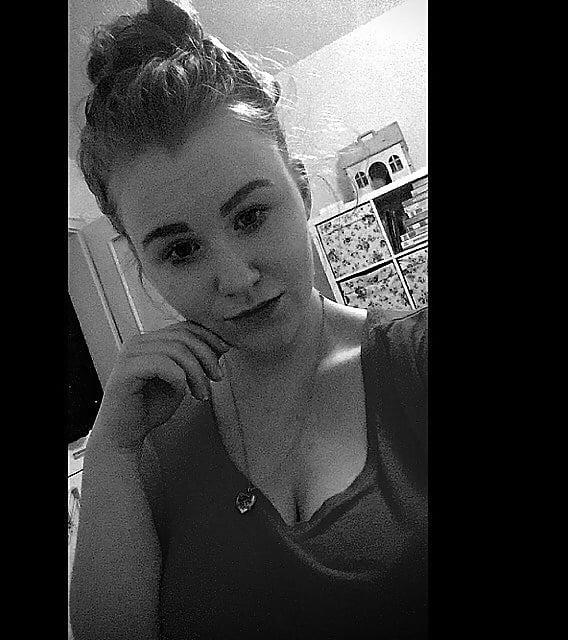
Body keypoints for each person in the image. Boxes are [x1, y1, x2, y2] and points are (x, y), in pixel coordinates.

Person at [69, 2, 428, 639]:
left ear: (302, 189)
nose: (235, 279)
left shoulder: (415, 362)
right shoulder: (143, 448)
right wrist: (110, 448)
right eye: (181, 250)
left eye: (251, 215)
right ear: (140, 265)